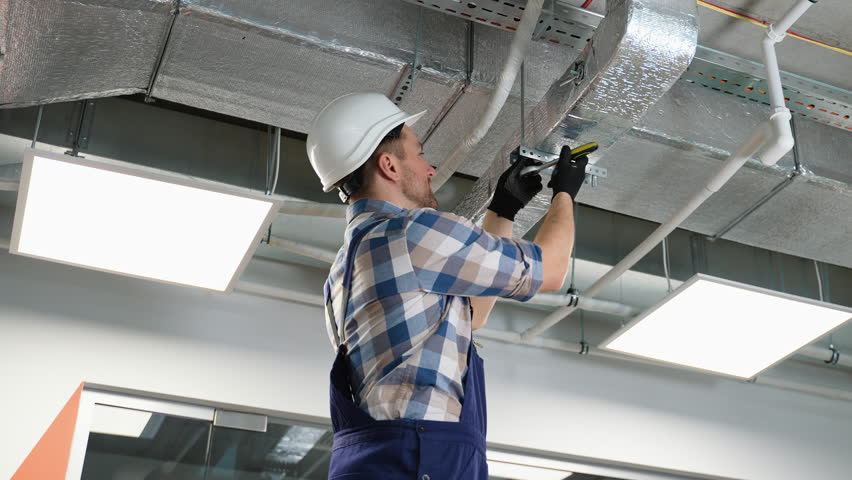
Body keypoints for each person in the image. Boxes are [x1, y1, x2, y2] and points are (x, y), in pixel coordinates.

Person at [306, 92, 587, 479]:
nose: (430, 168)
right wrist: (565, 194)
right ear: (389, 165)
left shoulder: (342, 271)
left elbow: (472, 315)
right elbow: (551, 270)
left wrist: (503, 210)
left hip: (377, 461)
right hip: (422, 459)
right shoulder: (413, 231)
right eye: (419, 154)